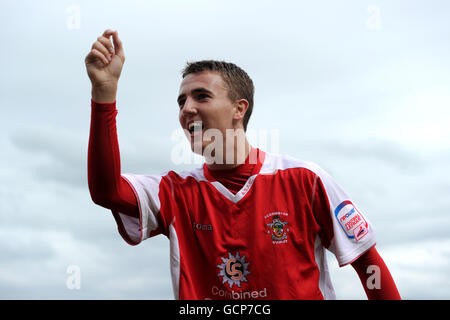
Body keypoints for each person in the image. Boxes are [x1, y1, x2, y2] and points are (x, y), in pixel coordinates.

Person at [85, 29, 401, 300]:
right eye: (182, 101)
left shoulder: (305, 180)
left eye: (201, 96)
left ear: (239, 108)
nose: (187, 109)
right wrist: (104, 93)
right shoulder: (175, 192)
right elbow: (106, 192)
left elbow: (367, 261)